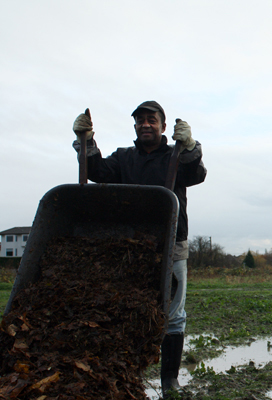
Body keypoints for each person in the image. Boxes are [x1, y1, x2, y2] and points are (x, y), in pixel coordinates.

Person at [72, 101, 207, 398]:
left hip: (172, 241)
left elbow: (196, 175)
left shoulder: (175, 157)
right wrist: (86, 142)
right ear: (135, 126)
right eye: (140, 120)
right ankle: (126, 372)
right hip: (132, 245)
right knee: (130, 306)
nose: (145, 124)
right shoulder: (124, 158)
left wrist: (190, 146)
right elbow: (96, 171)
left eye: (151, 120)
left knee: (173, 312)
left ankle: (169, 381)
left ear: (162, 125)